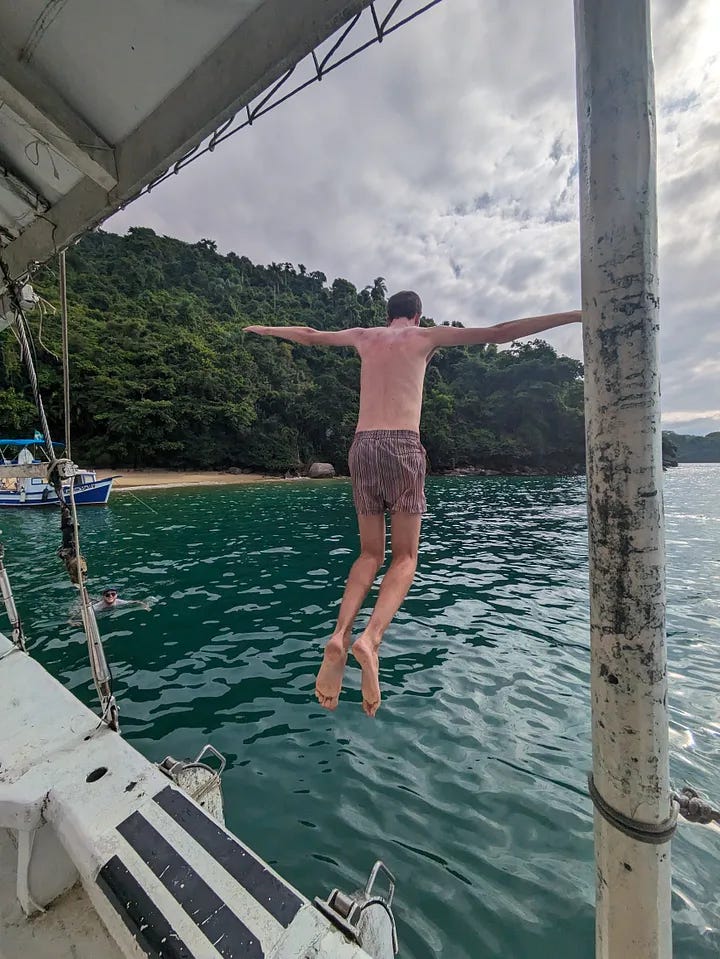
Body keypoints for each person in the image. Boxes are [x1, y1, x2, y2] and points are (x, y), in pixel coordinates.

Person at [246, 292, 581, 717]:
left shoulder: (365, 336)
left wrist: (265, 329)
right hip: (403, 446)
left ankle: (339, 635)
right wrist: (571, 315)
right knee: (404, 558)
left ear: (386, 315)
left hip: (363, 446)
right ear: (417, 315)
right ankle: (370, 640)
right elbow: (500, 333)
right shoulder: (426, 337)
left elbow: (310, 336)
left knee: (369, 553)